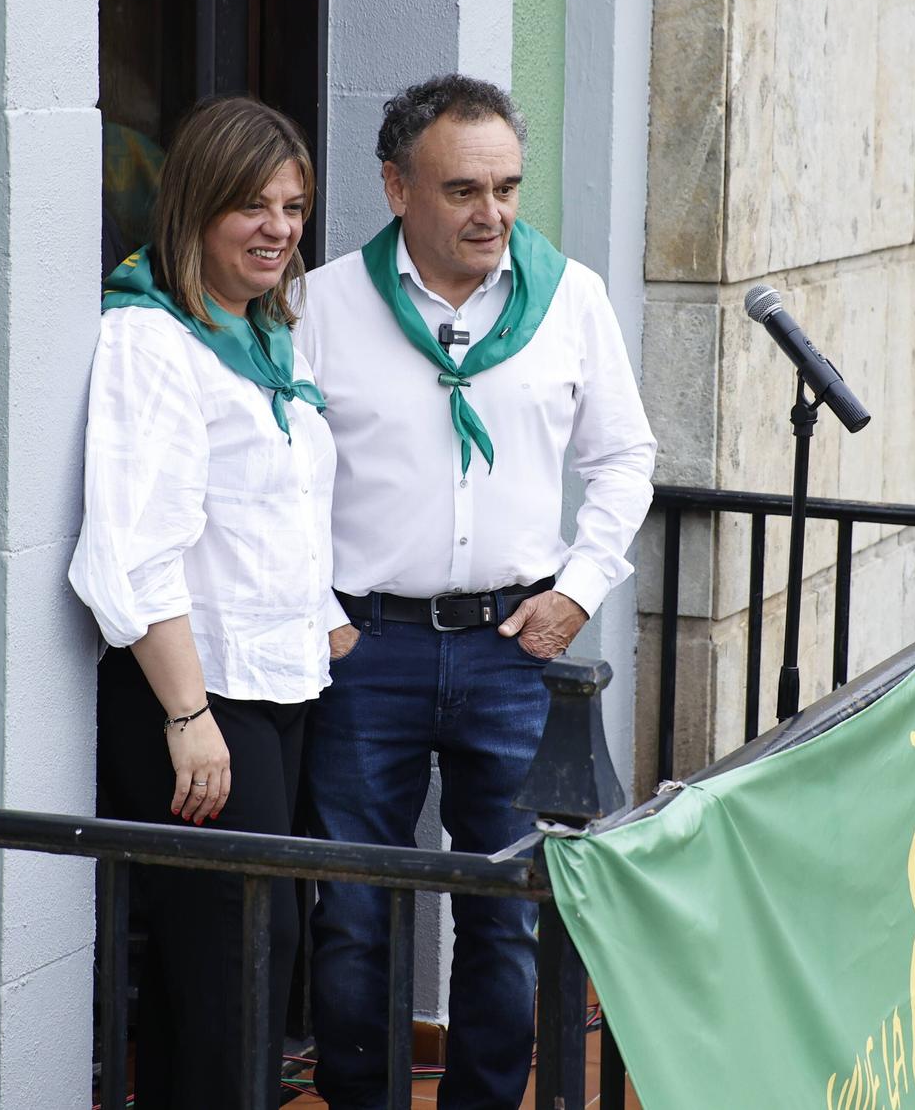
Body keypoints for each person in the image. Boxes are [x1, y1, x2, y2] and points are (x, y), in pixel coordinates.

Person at [296, 74, 656, 1108]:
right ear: (395, 186)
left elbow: (625, 457)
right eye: (461, 189)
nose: (490, 213)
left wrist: (578, 590)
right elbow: (283, 481)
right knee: (355, 912)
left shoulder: (568, 298)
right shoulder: (322, 306)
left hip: (515, 646)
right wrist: (322, 618)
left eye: (505, 187)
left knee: (509, 912)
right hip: (367, 651)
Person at [68, 96, 341, 1107]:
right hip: (197, 694)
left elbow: (277, 514)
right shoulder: (154, 339)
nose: (278, 228)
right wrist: (189, 717)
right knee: (237, 964)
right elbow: (134, 549)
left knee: (239, 966)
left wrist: (329, 625)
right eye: (251, 206)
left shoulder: (265, 331)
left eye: (293, 205)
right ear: (194, 208)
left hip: (274, 686)